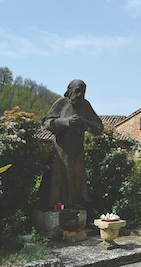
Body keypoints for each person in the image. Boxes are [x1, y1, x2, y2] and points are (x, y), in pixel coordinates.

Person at [39, 79, 103, 209]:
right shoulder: (61, 103)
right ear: (70, 91)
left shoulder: (85, 106)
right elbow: (47, 122)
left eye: (83, 92)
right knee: (57, 181)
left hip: (77, 151)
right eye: (77, 91)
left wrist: (84, 122)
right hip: (60, 150)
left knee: (76, 180)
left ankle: (73, 206)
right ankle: (55, 207)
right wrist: (66, 122)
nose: (80, 95)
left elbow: (99, 127)